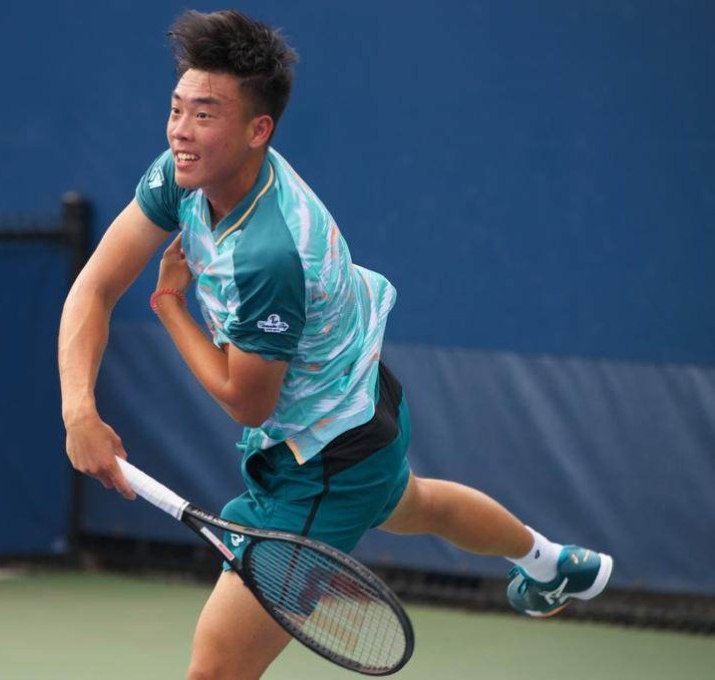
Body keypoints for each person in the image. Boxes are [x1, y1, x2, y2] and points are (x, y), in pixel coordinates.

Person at [58, 9, 613, 679]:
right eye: (177, 108)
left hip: (326, 461)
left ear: (259, 129)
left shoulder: (269, 255)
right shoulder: (184, 173)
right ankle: (550, 564)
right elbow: (92, 289)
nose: (180, 130)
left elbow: (247, 403)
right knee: (418, 504)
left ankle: (545, 562)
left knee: (216, 672)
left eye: (204, 115)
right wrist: (79, 411)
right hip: (365, 412)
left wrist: (171, 305)